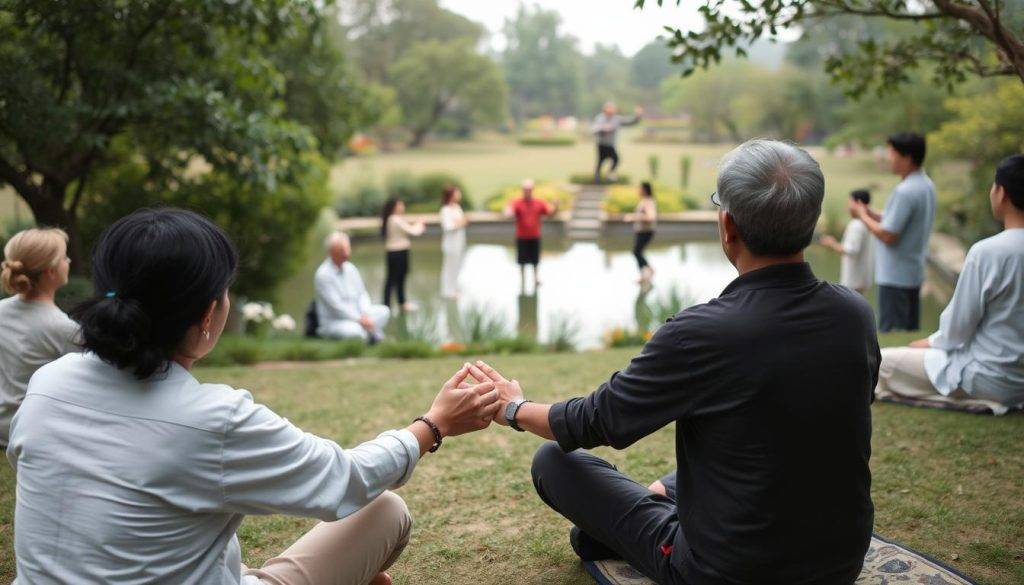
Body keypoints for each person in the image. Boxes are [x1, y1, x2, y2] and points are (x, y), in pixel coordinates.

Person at [7, 208, 502, 585]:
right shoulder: (211, 419)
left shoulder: (48, 384)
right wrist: (432, 426)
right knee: (385, 510)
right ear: (207, 315)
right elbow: (344, 482)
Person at [476, 140, 879, 585]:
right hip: (839, 562)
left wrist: (513, 407)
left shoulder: (699, 334)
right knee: (704, 466)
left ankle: (641, 515)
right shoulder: (855, 314)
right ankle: (656, 497)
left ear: (727, 226)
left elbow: (596, 420)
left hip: (726, 570)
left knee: (554, 461)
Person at [875, 154, 1024, 412]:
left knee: (882, 362)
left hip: (990, 377)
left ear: (1002, 194)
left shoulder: (988, 252)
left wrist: (932, 342)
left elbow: (959, 326)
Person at [0, 228, 79, 449]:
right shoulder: (64, 328)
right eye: (64, 257)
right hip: (33, 430)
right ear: (50, 271)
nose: (69, 260)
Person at [853, 133, 936, 331]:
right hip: (912, 272)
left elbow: (888, 234)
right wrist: (870, 212)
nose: (888, 158)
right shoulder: (925, 184)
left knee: (894, 334)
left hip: (895, 277)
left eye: (891, 153)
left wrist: (861, 216)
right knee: (907, 331)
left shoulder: (905, 191)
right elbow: (897, 220)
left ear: (906, 158)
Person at [315, 231, 390, 342]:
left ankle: (370, 333)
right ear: (331, 252)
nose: (346, 253)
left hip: (360, 315)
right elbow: (336, 307)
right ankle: (371, 334)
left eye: (347, 249)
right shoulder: (323, 275)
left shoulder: (351, 269)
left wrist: (364, 313)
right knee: (355, 332)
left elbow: (362, 294)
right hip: (336, 321)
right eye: (341, 251)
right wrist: (359, 319)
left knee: (384, 311)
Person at [819, 189, 875, 295]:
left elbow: (851, 250)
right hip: (864, 279)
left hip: (854, 281)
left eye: (849, 203)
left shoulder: (856, 225)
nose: (847, 207)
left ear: (858, 203)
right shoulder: (869, 223)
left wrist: (831, 243)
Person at [505, 179, 557, 291]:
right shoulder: (517, 203)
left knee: (535, 260)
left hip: (535, 236)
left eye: (529, 189)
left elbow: (549, 212)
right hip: (522, 236)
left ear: (532, 190)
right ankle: (522, 280)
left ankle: (536, 278)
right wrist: (507, 209)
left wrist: (555, 205)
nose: (527, 191)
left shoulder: (539, 202)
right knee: (522, 261)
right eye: (525, 189)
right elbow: (508, 213)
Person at [381, 198, 425, 312]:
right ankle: (388, 305)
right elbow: (413, 231)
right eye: (400, 204)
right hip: (397, 253)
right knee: (393, 279)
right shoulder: (394, 219)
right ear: (395, 206)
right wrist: (420, 224)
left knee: (399, 278)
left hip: (397, 252)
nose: (402, 206)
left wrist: (417, 224)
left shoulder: (394, 219)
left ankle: (399, 303)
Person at [592, 102, 643, 183]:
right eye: (609, 108)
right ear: (605, 109)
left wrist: (638, 115)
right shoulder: (600, 118)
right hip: (601, 144)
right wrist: (603, 128)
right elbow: (594, 128)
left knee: (616, 159)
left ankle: (609, 173)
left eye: (612, 109)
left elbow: (630, 122)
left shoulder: (617, 119)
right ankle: (596, 178)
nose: (611, 110)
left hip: (611, 144)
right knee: (600, 161)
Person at [624, 181, 657, 284]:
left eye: (639, 188)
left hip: (646, 232)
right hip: (641, 231)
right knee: (637, 252)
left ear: (644, 190)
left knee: (636, 252)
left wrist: (633, 217)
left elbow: (651, 217)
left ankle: (645, 273)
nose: (638, 190)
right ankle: (648, 271)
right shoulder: (644, 201)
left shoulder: (648, 202)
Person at [439, 185, 469, 300]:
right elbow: (448, 226)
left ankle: (453, 288)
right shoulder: (445, 210)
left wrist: (461, 222)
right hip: (450, 244)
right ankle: (447, 291)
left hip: (459, 242)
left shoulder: (457, 207)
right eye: (457, 192)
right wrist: (461, 223)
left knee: (457, 266)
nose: (459, 194)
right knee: (449, 267)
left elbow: (460, 222)